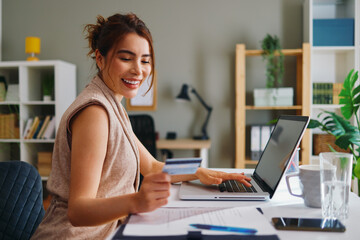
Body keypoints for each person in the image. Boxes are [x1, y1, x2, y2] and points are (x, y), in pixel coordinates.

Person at [31, 13, 251, 239]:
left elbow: (154, 167)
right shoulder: (94, 113)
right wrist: (137, 201)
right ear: (100, 58)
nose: (139, 70)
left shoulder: (113, 106)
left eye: (145, 60)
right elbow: (79, 211)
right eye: (126, 58)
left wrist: (199, 172)